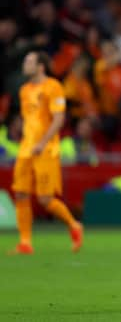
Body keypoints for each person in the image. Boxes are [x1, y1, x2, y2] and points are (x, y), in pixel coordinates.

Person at [9, 51, 83, 255]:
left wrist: (42, 142)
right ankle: (25, 242)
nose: (25, 65)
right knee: (21, 193)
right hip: (26, 148)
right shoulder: (24, 90)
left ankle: (74, 225)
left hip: (46, 149)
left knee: (45, 199)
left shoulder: (53, 87)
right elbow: (29, 119)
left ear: (41, 66)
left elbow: (58, 119)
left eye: (29, 62)